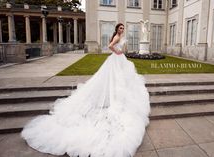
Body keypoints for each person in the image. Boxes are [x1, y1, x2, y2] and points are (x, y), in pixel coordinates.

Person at [21, 23, 151, 157]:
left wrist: (120, 52)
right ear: (117, 29)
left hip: (119, 60)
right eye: (120, 28)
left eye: (123, 28)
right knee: (115, 80)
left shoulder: (119, 36)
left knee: (118, 81)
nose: (122, 30)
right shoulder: (117, 37)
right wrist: (118, 51)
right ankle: (113, 100)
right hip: (116, 59)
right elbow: (110, 46)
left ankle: (114, 99)